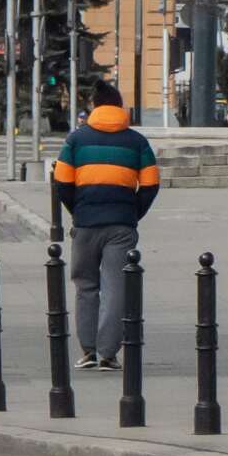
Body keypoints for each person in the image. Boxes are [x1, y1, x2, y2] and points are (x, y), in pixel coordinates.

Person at [52, 84, 162, 371]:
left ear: (95, 106)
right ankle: (108, 354)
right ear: (119, 106)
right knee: (116, 288)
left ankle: (87, 351)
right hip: (121, 226)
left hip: (86, 224)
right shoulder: (137, 142)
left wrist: (78, 209)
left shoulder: (76, 140)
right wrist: (132, 213)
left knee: (85, 286)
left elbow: (62, 182)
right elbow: (150, 184)